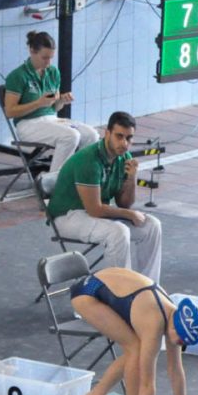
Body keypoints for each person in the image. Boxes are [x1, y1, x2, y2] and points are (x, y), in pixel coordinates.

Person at [70, 266, 198, 395]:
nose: (180, 345)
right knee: (134, 348)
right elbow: (147, 383)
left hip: (111, 286)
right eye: (180, 341)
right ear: (174, 328)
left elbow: (176, 370)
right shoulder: (154, 321)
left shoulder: (174, 317)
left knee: (135, 347)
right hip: (88, 293)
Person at [47, 112, 162, 282]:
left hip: (94, 214)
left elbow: (125, 203)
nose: (124, 143)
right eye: (119, 136)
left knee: (152, 225)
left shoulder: (124, 158)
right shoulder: (89, 161)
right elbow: (95, 209)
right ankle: (120, 290)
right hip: (67, 217)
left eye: (129, 138)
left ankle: (147, 287)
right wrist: (129, 214)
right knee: (118, 232)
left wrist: (131, 178)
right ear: (107, 133)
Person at [3, 31, 99, 176]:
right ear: (32, 51)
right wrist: (37, 103)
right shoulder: (18, 76)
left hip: (52, 120)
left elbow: (54, 108)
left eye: (51, 58)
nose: (48, 63)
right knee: (70, 136)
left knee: (91, 135)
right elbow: (10, 112)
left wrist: (61, 101)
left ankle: (81, 177)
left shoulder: (53, 73)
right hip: (28, 124)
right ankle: (53, 182)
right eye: (44, 58)